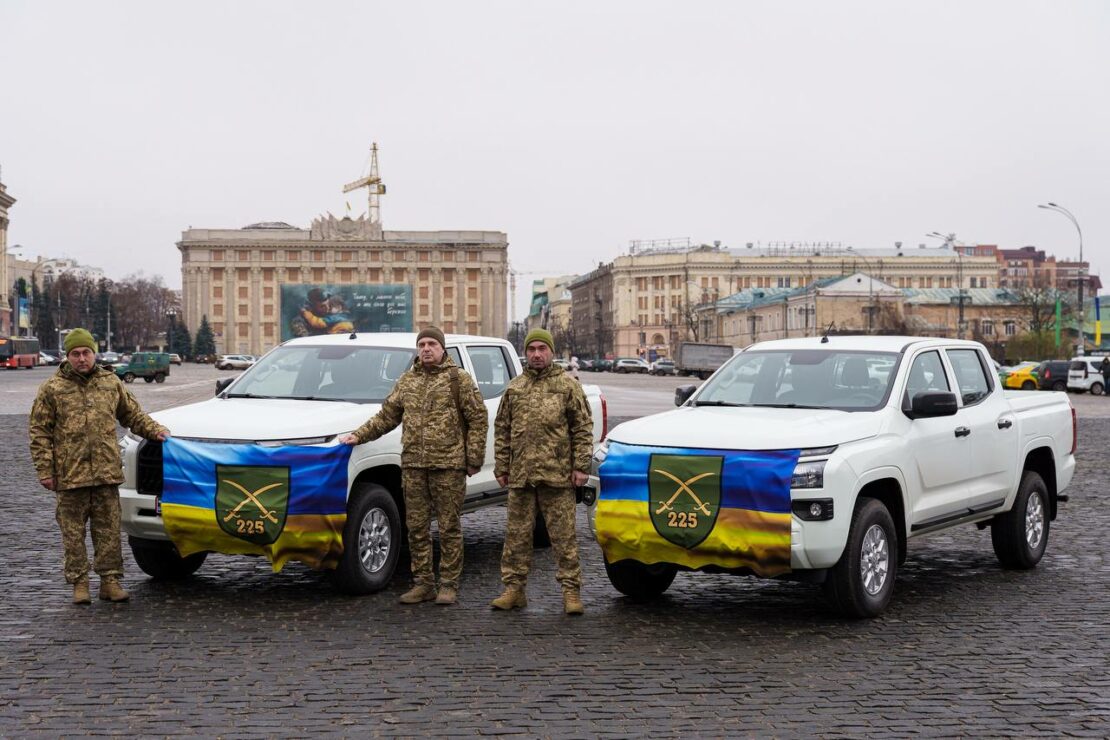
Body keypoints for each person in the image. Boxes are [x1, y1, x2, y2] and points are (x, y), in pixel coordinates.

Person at [339, 327, 487, 605]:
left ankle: (448, 585)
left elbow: (478, 419)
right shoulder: (407, 381)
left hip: (449, 467)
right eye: (422, 344)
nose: (426, 348)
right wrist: (359, 434)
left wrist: (473, 459)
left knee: (448, 527)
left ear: (443, 348)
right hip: (414, 467)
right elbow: (386, 417)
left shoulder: (459, 380)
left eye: (432, 343)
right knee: (416, 527)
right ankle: (423, 583)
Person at [29, 328, 170, 605]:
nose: (82, 358)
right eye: (75, 354)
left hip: (106, 473)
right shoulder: (52, 389)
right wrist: (45, 470)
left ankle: (110, 581)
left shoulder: (110, 383)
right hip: (70, 476)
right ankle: (79, 583)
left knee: (108, 531)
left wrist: (156, 431)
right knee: (73, 534)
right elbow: (39, 431)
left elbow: (133, 414)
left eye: (86, 353)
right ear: (67, 356)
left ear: (94, 353)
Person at [490, 328, 594, 615]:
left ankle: (571, 592)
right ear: (526, 352)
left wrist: (580, 466)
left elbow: (582, 428)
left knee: (563, 538)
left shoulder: (567, 386)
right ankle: (514, 589)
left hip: (557, 476)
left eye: (542, 349)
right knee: (516, 537)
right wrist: (501, 466)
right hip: (521, 475)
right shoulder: (515, 387)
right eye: (532, 349)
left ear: (551, 352)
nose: (536, 354)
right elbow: (502, 430)